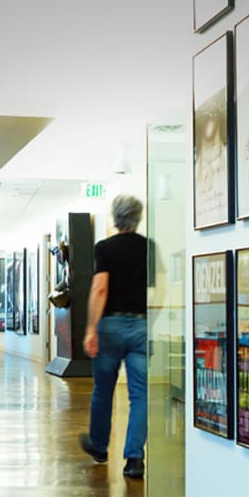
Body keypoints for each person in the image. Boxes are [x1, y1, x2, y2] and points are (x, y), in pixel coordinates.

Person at [79, 194, 148, 479]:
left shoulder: (105, 248)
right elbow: (161, 289)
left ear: (115, 217)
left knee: (103, 391)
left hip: (110, 327)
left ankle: (99, 446)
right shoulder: (148, 247)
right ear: (138, 217)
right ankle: (134, 459)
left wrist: (91, 329)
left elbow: (100, 290)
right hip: (142, 327)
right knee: (140, 395)